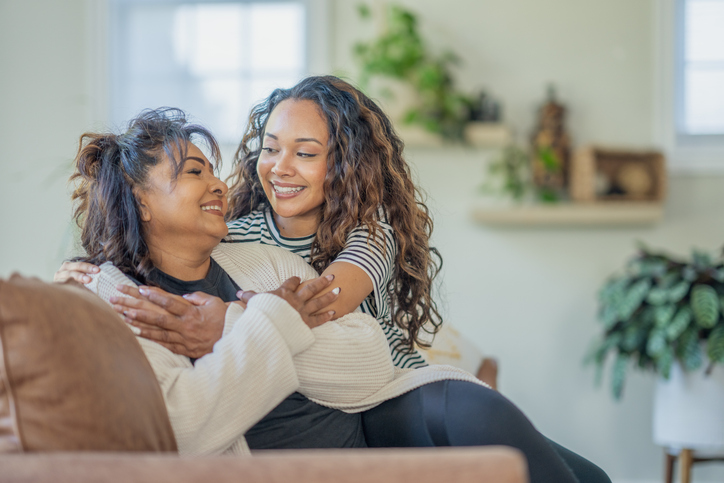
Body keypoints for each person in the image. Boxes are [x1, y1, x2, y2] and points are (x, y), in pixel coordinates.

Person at [61, 107, 610, 483]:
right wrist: (274, 318)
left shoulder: (275, 252)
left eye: (306, 152)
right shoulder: (138, 297)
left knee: (592, 476)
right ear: (140, 201)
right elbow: (187, 424)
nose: (221, 185)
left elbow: (367, 358)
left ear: (340, 166)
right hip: (332, 447)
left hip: (381, 401)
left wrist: (232, 324)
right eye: (193, 172)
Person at [58, 76, 439, 370]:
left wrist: (226, 320)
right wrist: (93, 272)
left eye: (304, 152)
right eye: (270, 149)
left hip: (390, 379)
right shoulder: (238, 235)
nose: (280, 167)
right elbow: (165, 254)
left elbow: (319, 305)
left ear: (351, 165)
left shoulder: (371, 235)